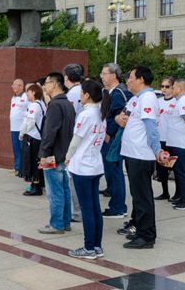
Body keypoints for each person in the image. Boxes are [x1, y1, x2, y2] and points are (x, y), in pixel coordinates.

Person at [117, 66, 163, 249]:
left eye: (130, 77)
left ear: (141, 79)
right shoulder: (136, 99)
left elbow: (151, 128)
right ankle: (141, 230)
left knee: (143, 197)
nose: (127, 80)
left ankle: (147, 236)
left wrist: (157, 150)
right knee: (137, 197)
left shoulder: (148, 98)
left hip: (141, 155)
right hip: (132, 153)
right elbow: (121, 118)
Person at [65, 80, 110, 260]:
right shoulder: (100, 113)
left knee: (87, 209)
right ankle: (97, 246)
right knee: (95, 208)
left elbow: (75, 141)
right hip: (95, 166)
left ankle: (89, 248)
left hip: (82, 167)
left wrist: (67, 157)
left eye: (81, 93)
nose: (79, 96)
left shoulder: (86, 115)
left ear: (87, 95)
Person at [37, 72, 75, 234]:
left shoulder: (54, 105)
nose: (44, 86)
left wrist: (43, 154)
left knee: (54, 191)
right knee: (64, 189)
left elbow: (49, 133)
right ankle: (65, 222)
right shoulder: (67, 104)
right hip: (64, 154)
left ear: (53, 84)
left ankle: (57, 224)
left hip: (52, 155)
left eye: (46, 83)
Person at [99, 63, 131, 219]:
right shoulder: (110, 92)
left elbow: (120, 116)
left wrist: (108, 133)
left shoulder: (119, 93)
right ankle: (115, 204)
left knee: (114, 171)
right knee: (111, 171)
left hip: (113, 138)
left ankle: (118, 207)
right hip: (108, 137)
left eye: (104, 73)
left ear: (113, 75)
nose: (102, 77)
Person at [63, 63, 85, 223]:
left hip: (75, 139)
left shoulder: (71, 94)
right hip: (85, 139)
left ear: (66, 78)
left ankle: (77, 212)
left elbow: (68, 119)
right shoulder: (84, 90)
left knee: (71, 176)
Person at [19, 84, 46, 196]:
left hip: (33, 137)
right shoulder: (41, 103)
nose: (27, 94)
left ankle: (36, 187)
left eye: (28, 92)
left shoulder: (34, 105)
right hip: (38, 137)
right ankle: (39, 184)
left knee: (33, 162)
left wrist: (22, 133)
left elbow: (30, 122)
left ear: (34, 92)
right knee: (37, 162)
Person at [165, 78, 185, 210]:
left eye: (173, 87)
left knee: (182, 173)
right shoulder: (179, 101)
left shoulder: (183, 101)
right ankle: (182, 197)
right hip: (176, 143)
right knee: (179, 173)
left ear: (180, 88)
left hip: (181, 144)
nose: (172, 90)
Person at [156, 77, 178, 200]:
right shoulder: (158, 101)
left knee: (174, 168)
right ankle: (165, 192)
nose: (164, 89)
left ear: (173, 87)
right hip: (160, 139)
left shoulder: (177, 101)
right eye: (162, 86)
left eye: (167, 86)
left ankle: (178, 194)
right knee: (162, 168)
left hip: (172, 140)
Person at [10, 79, 29, 174]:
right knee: (16, 149)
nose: (12, 86)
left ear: (21, 86)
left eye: (14, 85)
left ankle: (23, 169)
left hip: (22, 129)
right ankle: (17, 167)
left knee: (23, 149)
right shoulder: (13, 98)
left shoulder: (26, 97)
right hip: (13, 128)